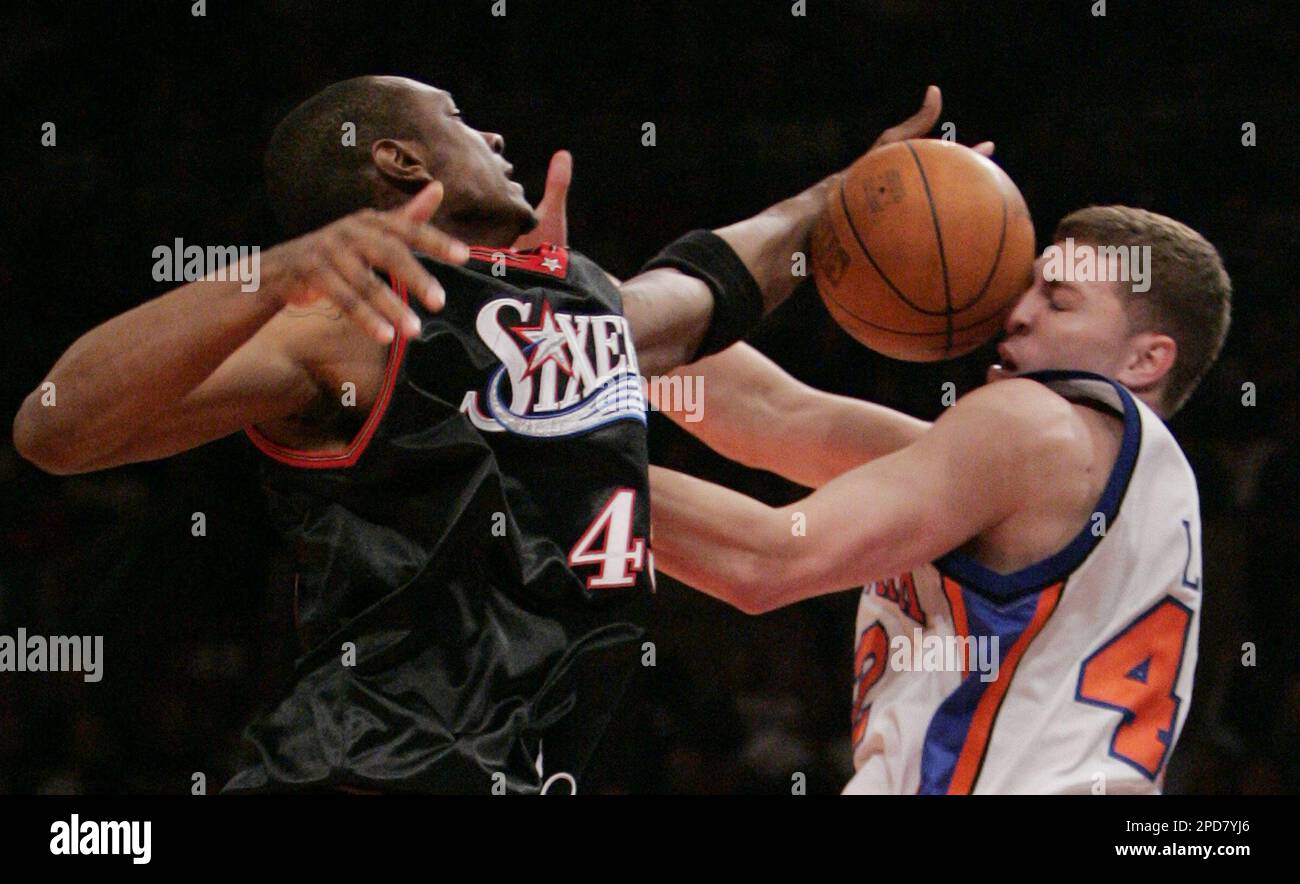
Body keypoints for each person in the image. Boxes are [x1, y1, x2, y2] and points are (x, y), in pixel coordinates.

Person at [11, 75, 974, 793]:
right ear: (400, 160)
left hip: (517, 766)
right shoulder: (346, 323)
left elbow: (713, 279)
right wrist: (272, 276)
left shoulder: (579, 308)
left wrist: (855, 187)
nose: (497, 131)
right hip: (365, 768)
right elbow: (55, 428)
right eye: (462, 117)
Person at [649, 205, 1231, 794]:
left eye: (1058, 301)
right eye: (1026, 287)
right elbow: (772, 415)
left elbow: (763, 562)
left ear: (1145, 359)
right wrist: (588, 312)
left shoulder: (1032, 429)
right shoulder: (1094, 472)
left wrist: (567, 461)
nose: (1019, 313)